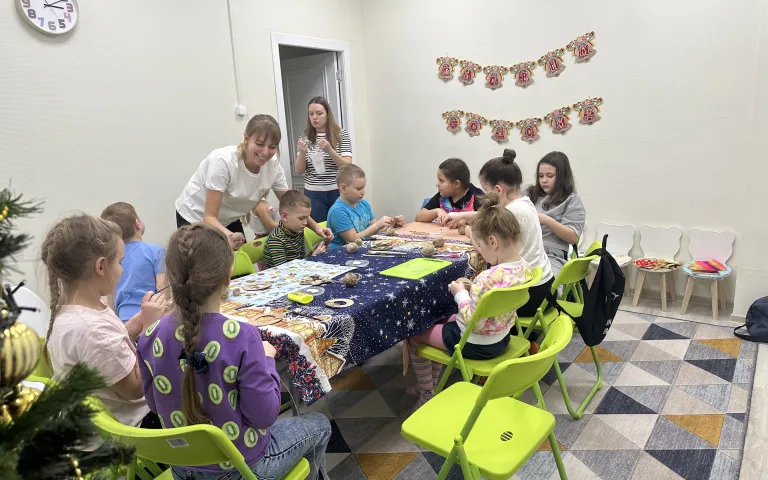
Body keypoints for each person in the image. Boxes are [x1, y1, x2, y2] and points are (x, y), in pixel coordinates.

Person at [137, 224, 331, 479]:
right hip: (242, 469)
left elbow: (154, 404)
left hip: (182, 470)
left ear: (171, 278)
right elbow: (263, 417)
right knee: (320, 424)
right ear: (229, 275)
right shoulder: (243, 336)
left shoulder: (149, 336)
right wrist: (266, 359)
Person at [42, 215, 169, 428]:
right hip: (137, 425)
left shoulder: (76, 310)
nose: (122, 269)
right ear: (101, 266)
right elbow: (136, 388)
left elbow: (104, 355)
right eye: (120, 262)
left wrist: (129, 331)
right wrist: (150, 330)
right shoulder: (92, 330)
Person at [406, 193, 532, 406]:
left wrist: (460, 293)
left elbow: (473, 320)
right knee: (441, 320)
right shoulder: (526, 268)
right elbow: (494, 297)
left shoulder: (486, 278)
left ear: (492, 242)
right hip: (502, 338)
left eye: (480, 247)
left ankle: (426, 390)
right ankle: (433, 382)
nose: (480, 252)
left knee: (415, 333)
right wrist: (473, 290)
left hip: (476, 344)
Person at [174, 114, 332, 250]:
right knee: (207, 269)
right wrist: (228, 236)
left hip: (228, 218)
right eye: (260, 144)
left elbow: (293, 205)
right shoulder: (223, 162)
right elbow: (209, 217)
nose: (265, 152)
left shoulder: (273, 167)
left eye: (272, 146)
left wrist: (316, 228)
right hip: (196, 217)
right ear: (246, 138)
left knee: (240, 267)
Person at [444, 149, 554, 317]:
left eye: (485, 190)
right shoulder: (524, 203)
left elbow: (486, 249)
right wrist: (462, 215)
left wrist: (469, 231)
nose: (485, 195)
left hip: (530, 296)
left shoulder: (515, 212)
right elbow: (497, 212)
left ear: (497, 190)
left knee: (464, 295)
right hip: (543, 288)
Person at [101, 202, 168, 321]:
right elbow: (162, 286)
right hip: (152, 315)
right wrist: (167, 314)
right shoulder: (156, 251)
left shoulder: (114, 258)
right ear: (138, 223)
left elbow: (111, 294)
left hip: (124, 317)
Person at [526, 151, 586, 275]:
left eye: (550, 176)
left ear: (562, 176)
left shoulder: (571, 200)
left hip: (551, 255)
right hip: (524, 251)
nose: (544, 180)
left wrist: (546, 220)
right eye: (540, 176)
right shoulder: (531, 195)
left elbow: (572, 237)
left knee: (547, 282)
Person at [295, 96, 353, 223]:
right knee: (318, 230)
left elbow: (347, 167)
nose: (314, 117)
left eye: (319, 113)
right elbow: (298, 170)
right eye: (311, 114)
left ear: (327, 114)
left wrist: (330, 151)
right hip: (313, 193)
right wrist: (303, 153)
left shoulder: (341, 134)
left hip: (337, 191)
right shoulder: (305, 136)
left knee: (340, 227)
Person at [326, 164, 403, 249]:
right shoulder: (338, 211)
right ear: (343, 188)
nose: (363, 192)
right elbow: (353, 239)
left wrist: (391, 224)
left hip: (363, 248)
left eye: (364, 188)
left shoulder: (364, 204)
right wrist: (376, 225)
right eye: (359, 189)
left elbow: (377, 231)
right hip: (341, 252)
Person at [263, 190, 328, 268]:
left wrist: (316, 251)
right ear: (285, 216)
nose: (305, 223)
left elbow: (301, 260)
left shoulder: (297, 231)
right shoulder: (276, 240)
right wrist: (313, 257)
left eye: (307, 218)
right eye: (301, 218)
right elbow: (283, 271)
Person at [415, 158, 484, 225]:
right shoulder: (442, 196)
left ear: (456, 184)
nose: (437, 184)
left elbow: (487, 219)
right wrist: (437, 211)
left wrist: (464, 221)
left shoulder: (477, 195)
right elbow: (418, 217)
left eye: (441, 181)